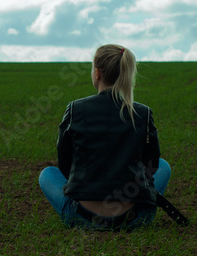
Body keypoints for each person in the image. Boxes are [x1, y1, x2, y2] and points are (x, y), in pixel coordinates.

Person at [38, 44, 172, 231]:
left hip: (83, 217)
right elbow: (152, 165)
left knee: (47, 174)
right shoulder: (143, 113)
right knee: (164, 166)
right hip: (133, 219)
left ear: (97, 73)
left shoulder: (75, 109)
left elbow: (65, 163)